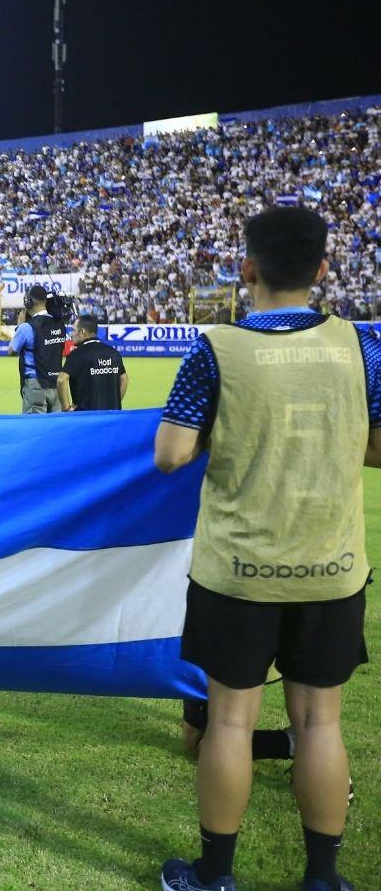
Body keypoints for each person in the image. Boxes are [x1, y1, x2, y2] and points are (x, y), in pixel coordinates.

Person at [156, 208, 374, 891]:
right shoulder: (362, 347)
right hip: (331, 569)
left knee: (228, 720)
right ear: (323, 270)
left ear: (245, 269)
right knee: (319, 724)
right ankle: (324, 879)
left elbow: (171, 455)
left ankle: (214, 877)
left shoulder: (215, 348)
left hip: (238, 573)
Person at [10, 285, 66, 414]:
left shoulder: (26, 327)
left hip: (35, 384)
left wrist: (19, 325)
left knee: (35, 427)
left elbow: (12, 350)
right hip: (56, 383)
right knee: (54, 428)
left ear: (30, 301)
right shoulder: (60, 324)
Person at [58, 315, 127, 412]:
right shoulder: (113, 352)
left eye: (73, 330)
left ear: (82, 331)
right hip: (112, 416)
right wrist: (115, 403)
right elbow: (124, 379)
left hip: (86, 417)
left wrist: (66, 408)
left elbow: (61, 379)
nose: (71, 334)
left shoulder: (76, 355)